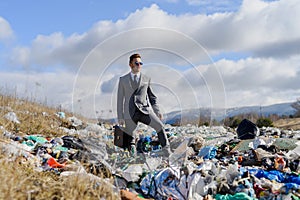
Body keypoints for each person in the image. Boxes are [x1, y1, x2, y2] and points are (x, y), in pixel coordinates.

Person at [117, 53, 171, 157]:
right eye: (136, 63)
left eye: (140, 63)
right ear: (130, 64)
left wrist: (157, 111)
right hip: (130, 113)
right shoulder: (123, 80)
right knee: (131, 139)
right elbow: (120, 99)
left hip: (145, 111)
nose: (139, 65)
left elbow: (152, 97)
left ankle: (167, 152)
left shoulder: (146, 79)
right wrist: (121, 116)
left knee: (160, 126)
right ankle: (133, 158)